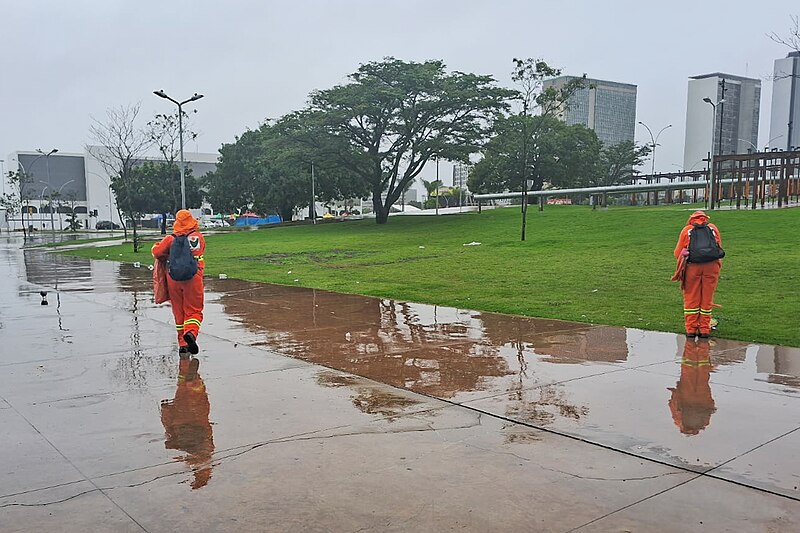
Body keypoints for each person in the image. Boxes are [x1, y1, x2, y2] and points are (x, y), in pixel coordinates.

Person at [152, 209, 206, 354]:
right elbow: (198, 252)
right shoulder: (197, 237)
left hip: (173, 278)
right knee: (194, 310)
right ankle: (191, 333)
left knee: (178, 310)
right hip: (193, 277)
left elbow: (157, 252)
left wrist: (157, 246)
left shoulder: (170, 239)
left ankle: (182, 344)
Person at [673, 210, 723, 338]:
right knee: (707, 298)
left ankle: (691, 329)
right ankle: (704, 329)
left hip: (692, 268)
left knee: (691, 298)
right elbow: (718, 247)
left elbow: (677, 252)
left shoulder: (687, 230)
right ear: (705, 218)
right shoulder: (713, 228)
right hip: (712, 267)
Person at [667, 338, 716, 435]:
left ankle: (697, 342)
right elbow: (674, 404)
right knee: (697, 367)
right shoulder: (681, 419)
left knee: (694, 367)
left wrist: (675, 393)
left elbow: (674, 405)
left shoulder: (680, 418)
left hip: (692, 391)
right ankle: (699, 341)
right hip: (695, 391)